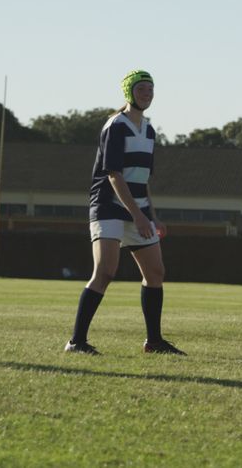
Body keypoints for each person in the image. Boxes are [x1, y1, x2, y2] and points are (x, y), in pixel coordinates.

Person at [64, 70, 185, 356]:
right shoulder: (115, 126)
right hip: (108, 205)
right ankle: (76, 342)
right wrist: (139, 216)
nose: (147, 94)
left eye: (151, 89)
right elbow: (114, 176)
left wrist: (152, 216)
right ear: (129, 92)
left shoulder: (150, 130)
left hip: (138, 209)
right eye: (141, 89)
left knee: (155, 273)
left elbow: (142, 180)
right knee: (105, 272)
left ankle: (154, 342)